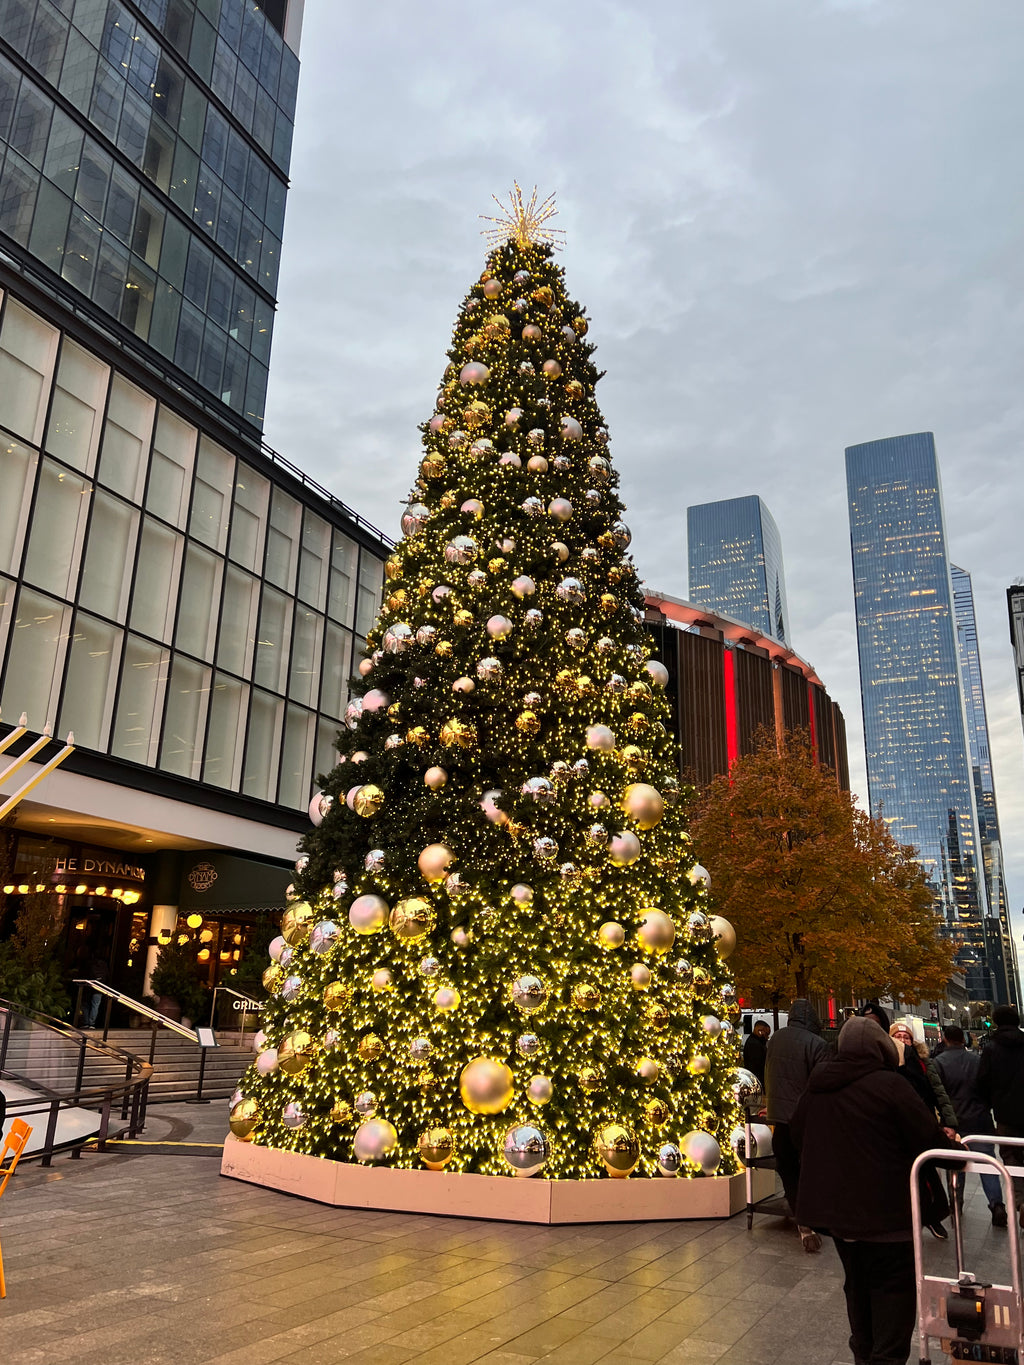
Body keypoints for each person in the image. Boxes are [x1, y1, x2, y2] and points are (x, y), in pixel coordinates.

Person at [791, 1016, 956, 1365]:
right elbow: (928, 1138)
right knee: (892, 1295)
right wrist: (958, 1156)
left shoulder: (817, 1086)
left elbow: (797, 1136)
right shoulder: (891, 1086)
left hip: (837, 1217)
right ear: (882, 1048)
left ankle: (863, 1355)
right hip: (888, 1215)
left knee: (857, 1285)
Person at [764, 998, 829, 1252]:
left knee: (788, 1169)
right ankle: (813, 1218)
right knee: (810, 1171)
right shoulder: (818, 1044)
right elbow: (821, 1083)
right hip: (806, 1122)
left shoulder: (775, 1040)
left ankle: (803, 1221)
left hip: (779, 1118)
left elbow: (769, 1073)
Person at [889, 1020, 956, 1239]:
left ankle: (932, 1216)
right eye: (897, 1038)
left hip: (922, 1123)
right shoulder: (886, 1065)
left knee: (925, 1171)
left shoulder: (924, 1064)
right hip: (895, 1129)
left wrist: (949, 1122)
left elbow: (939, 1094)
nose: (902, 1041)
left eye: (905, 1037)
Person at [933, 1024, 1006, 1226]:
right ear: (963, 1040)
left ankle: (955, 1204)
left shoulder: (939, 1063)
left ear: (945, 1039)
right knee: (986, 1163)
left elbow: (938, 1094)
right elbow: (988, 1088)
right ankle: (997, 1204)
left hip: (953, 1122)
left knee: (955, 1165)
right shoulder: (977, 1060)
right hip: (979, 1119)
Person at [976, 1003, 1024, 1224]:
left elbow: (983, 1081)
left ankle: (1021, 1199)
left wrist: (988, 1105)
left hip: (1005, 1115)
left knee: (1011, 1157)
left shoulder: (991, 1048)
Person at [742, 1020, 770, 1085]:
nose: (767, 1037)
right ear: (760, 1031)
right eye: (766, 1034)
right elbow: (759, 1064)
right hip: (758, 1079)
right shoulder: (755, 1045)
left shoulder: (753, 1041)